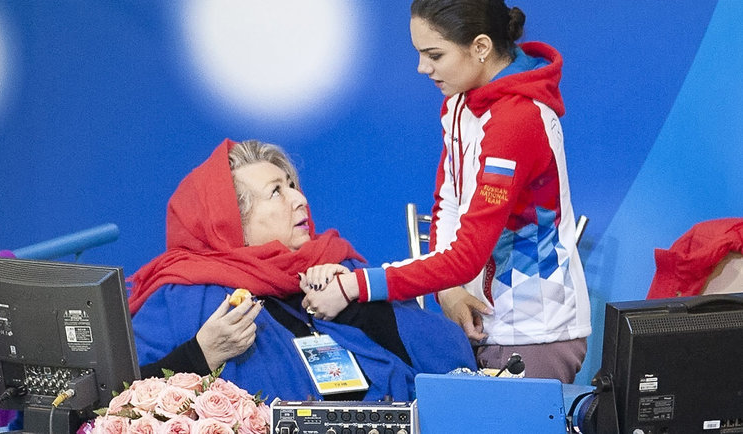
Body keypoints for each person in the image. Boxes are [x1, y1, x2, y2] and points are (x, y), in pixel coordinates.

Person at [301, 0, 591, 383]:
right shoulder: (457, 101)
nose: (423, 67)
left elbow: (469, 253)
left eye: (434, 54)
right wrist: (450, 290)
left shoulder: (518, 122)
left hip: (534, 335)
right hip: (479, 322)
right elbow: (449, 203)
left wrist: (355, 286)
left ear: (481, 47)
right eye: (420, 53)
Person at [128, 138, 475, 402]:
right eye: (276, 192)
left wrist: (353, 305)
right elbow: (119, 398)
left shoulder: (336, 266)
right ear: (231, 222)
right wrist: (200, 354)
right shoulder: (185, 296)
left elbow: (449, 357)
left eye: (292, 185)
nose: (300, 200)